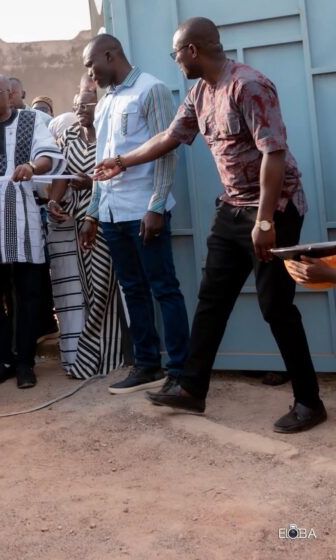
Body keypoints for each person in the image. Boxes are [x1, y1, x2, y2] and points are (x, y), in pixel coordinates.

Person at [96, 17, 327, 432]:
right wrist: (121, 161)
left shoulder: (248, 85)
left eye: (176, 53)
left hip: (273, 209)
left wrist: (264, 220)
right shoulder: (200, 92)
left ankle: (310, 402)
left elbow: (274, 154)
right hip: (231, 208)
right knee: (211, 299)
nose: (175, 61)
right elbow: (169, 136)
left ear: (192, 50)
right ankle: (191, 389)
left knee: (275, 307)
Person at [79, 34, 190, 395]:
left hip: (143, 212)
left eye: (90, 64)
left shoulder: (151, 89)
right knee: (132, 290)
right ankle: (147, 366)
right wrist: (93, 214)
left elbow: (166, 149)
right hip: (112, 214)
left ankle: (180, 371)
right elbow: (101, 164)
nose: (89, 73)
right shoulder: (105, 102)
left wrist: (156, 206)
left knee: (164, 289)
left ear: (110, 55)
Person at [0, 74, 65, 389]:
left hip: (23, 218)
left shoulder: (29, 120)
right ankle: (4, 361)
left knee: (28, 296)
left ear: (11, 96)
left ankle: (25, 361)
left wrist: (33, 167)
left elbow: (48, 154)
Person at [47, 88, 123, 379]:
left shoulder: (109, 134)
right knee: (90, 289)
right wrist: (55, 201)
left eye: (87, 104)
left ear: (101, 105)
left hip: (106, 217)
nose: (80, 110)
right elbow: (61, 176)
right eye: (77, 105)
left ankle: (105, 358)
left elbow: (115, 175)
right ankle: (96, 356)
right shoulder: (68, 137)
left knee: (106, 287)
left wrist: (89, 184)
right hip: (80, 221)